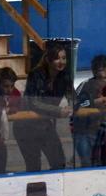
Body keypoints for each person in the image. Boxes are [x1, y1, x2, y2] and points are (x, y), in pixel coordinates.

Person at [18, 42, 72, 171]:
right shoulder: (36, 74)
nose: (61, 62)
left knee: (59, 163)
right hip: (26, 126)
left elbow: (73, 96)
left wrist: (72, 106)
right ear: (48, 59)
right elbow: (34, 103)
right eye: (57, 58)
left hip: (45, 124)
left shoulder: (64, 76)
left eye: (64, 58)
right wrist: (58, 111)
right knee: (33, 166)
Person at [73, 54, 106, 167]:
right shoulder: (85, 86)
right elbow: (76, 107)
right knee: (87, 165)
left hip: (102, 133)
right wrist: (95, 102)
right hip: (83, 133)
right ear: (95, 72)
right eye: (102, 70)